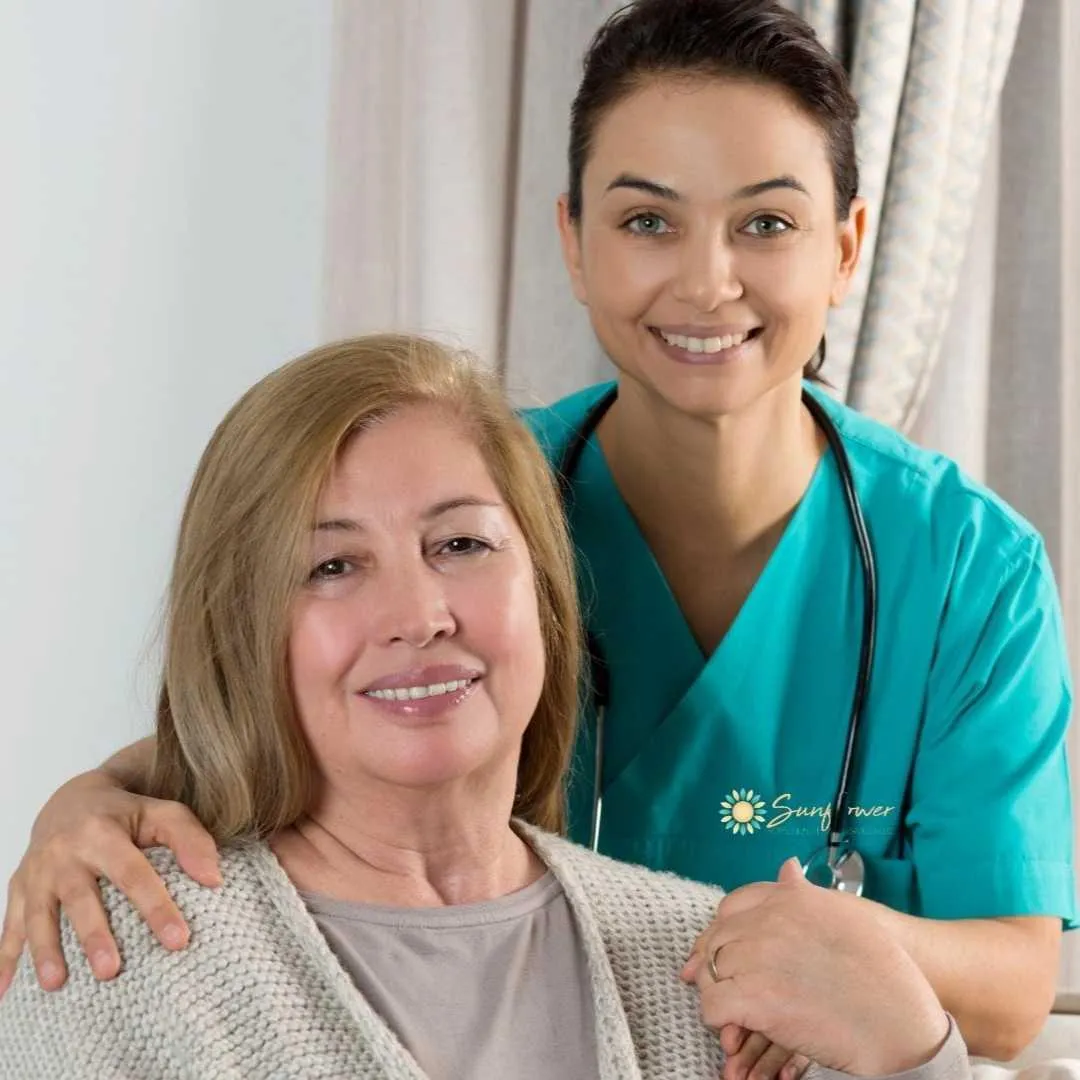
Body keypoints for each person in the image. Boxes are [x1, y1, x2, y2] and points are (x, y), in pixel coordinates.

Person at [0, 0, 1074, 1070]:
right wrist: (86, 801)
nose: (707, 280)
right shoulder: (469, 511)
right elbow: (311, 694)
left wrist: (808, 956)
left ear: (846, 249)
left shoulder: (966, 569)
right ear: (572, 239)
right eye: (647, 220)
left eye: (768, 223)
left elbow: (1019, 983)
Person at [0, 335, 965, 1079]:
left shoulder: (710, 975)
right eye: (332, 566)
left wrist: (919, 1052)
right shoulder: (106, 956)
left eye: (461, 545)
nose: (418, 616)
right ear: (244, 628)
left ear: (542, 590)